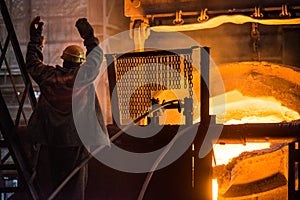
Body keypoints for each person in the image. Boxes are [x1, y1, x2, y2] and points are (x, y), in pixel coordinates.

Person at [25, 16, 109, 199]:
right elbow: (95, 57)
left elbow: (32, 63)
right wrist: (88, 35)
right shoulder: (82, 77)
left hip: (50, 141)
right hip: (76, 141)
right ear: (80, 62)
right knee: (75, 189)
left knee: (52, 187)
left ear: (63, 61)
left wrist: (36, 39)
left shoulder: (48, 76)